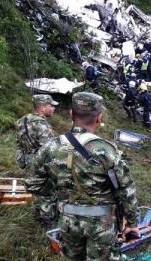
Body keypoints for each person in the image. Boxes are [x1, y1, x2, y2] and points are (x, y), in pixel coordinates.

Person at [26, 92, 139, 260]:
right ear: (99, 118)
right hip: (102, 224)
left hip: (67, 221)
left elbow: (32, 183)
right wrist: (131, 223)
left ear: (71, 114)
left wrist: (58, 197)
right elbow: (126, 190)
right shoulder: (106, 150)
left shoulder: (49, 147)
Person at [16, 94, 58, 225]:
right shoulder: (41, 124)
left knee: (36, 190)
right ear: (42, 107)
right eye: (51, 106)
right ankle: (47, 221)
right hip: (40, 163)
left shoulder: (21, 120)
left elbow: (18, 142)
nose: (53, 108)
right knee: (48, 193)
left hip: (27, 160)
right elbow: (49, 148)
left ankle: (38, 216)